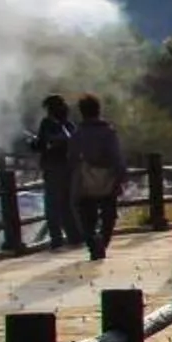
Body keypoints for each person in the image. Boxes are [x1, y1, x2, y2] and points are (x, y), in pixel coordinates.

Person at [69, 94, 126, 261]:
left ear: (82, 112)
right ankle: (103, 241)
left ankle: (93, 243)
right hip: (108, 180)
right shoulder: (109, 132)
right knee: (109, 215)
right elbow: (117, 158)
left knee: (85, 217)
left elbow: (72, 158)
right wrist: (120, 177)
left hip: (85, 182)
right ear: (98, 110)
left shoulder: (77, 134)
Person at [28, 94, 76, 248]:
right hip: (70, 169)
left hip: (53, 169)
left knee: (52, 206)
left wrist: (32, 143)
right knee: (68, 204)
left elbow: (40, 145)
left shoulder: (47, 124)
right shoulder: (68, 125)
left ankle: (56, 238)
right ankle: (74, 235)